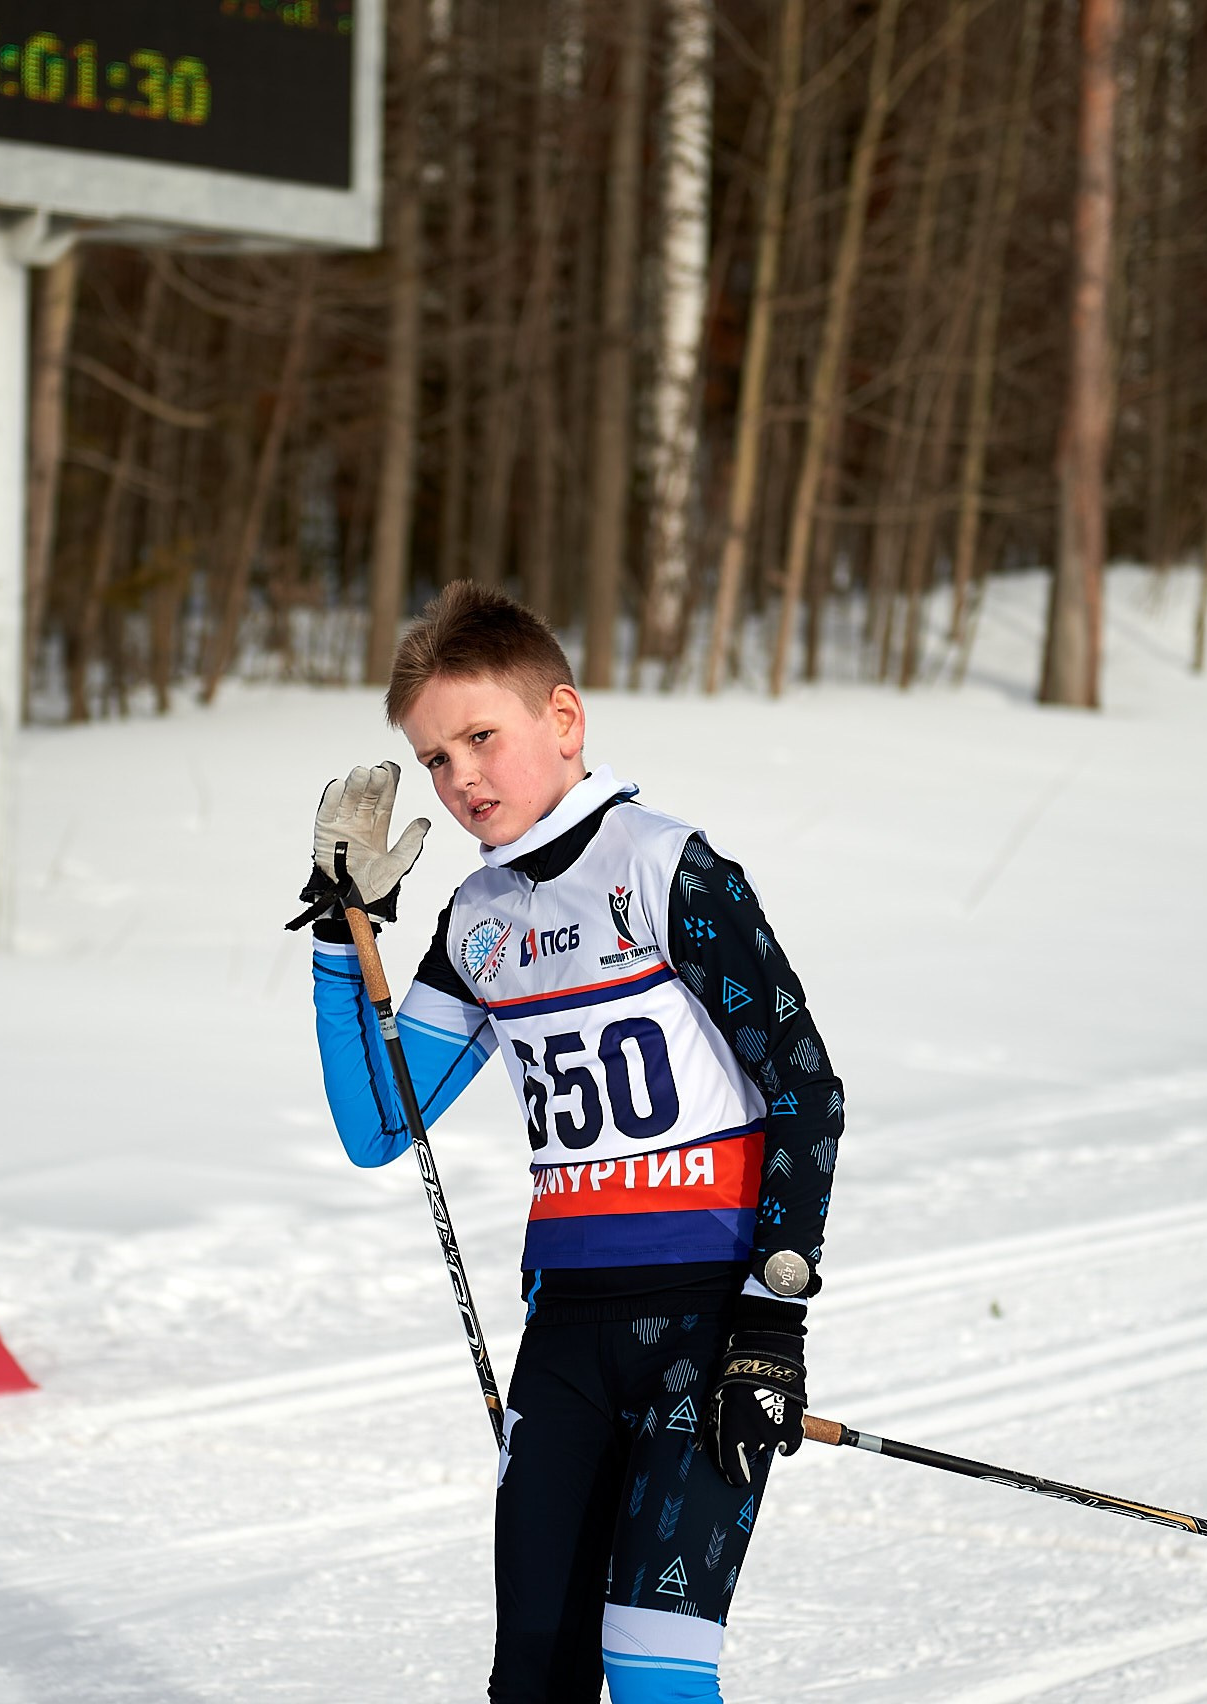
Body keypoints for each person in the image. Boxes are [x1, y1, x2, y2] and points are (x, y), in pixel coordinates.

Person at [292, 583, 844, 1703]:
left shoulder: (666, 867)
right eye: (435, 759)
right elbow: (380, 1124)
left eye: (480, 738)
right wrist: (345, 936)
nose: (461, 779)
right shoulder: (478, 920)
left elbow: (804, 1087)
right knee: (534, 1677)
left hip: (703, 1326)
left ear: (564, 718)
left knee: (651, 1674)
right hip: (565, 1340)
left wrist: (772, 1325)